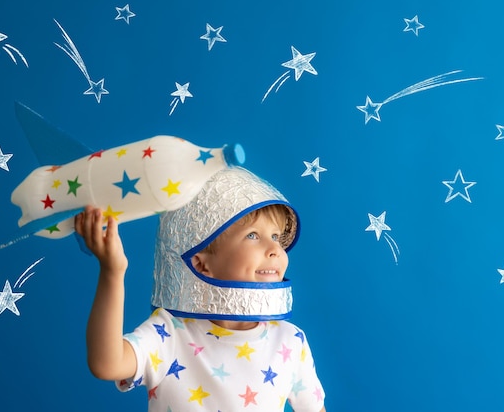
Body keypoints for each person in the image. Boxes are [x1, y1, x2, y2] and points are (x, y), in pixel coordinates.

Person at [76, 167, 325, 411]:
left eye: (275, 235)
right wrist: (113, 271)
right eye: (252, 235)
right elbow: (106, 364)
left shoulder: (290, 341)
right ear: (201, 262)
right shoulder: (169, 335)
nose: (274, 249)